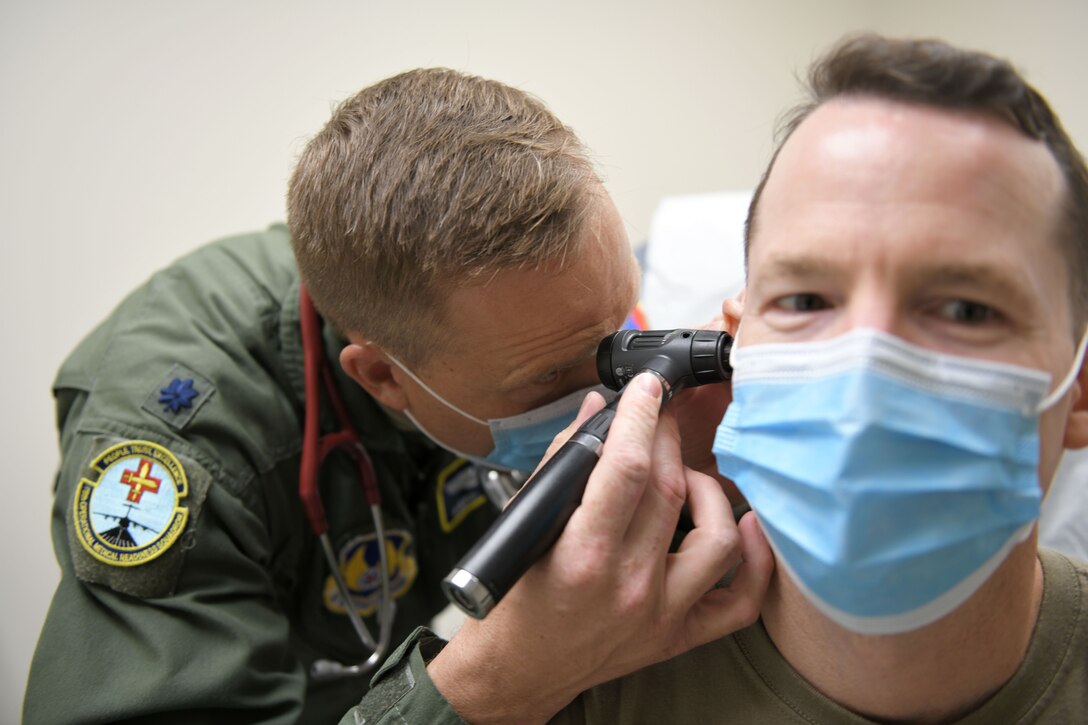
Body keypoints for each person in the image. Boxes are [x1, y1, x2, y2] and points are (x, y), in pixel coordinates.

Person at [353, 34, 1088, 724]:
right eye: (805, 300)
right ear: (733, 347)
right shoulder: (566, 676)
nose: (864, 369)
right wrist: (496, 677)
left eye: (965, 308)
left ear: (1080, 387)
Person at [23, 67, 666, 724]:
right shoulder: (182, 447)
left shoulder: (531, 315)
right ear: (385, 378)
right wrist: (497, 680)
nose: (615, 387)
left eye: (621, 329)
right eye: (551, 379)